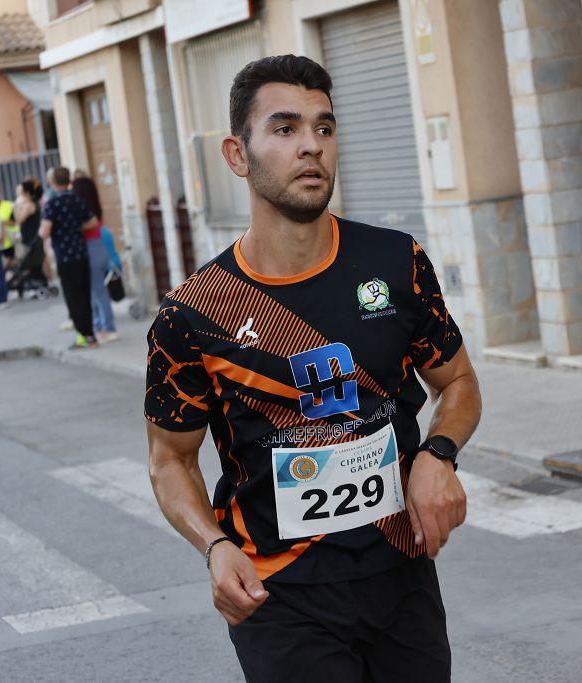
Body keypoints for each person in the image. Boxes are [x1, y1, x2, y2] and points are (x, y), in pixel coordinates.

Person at [145, 55, 482, 682]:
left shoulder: (395, 261)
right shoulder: (192, 314)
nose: (311, 147)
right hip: (280, 594)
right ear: (236, 155)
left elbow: (458, 382)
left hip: (401, 573)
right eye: (284, 128)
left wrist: (438, 453)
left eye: (324, 129)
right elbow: (172, 461)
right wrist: (214, 547)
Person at [40, 166, 98, 349]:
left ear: (52, 182)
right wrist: (75, 228)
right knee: (85, 294)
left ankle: (84, 336)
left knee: (73, 297)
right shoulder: (76, 198)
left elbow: (45, 231)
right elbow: (93, 221)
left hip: (65, 256)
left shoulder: (52, 203)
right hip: (81, 253)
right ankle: (91, 334)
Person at [71, 173, 117, 343]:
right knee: (94, 291)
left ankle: (108, 327)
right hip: (97, 248)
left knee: (98, 291)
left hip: (92, 248)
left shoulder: (85, 210)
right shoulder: (93, 206)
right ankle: (99, 324)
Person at [14, 177, 47, 286]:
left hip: (31, 237)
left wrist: (16, 206)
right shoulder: (31, 203)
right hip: (31, 236)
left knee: (34, 263)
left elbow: (19, 219)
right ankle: (38, 284)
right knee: (34, 263)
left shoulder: (29, 205)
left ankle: (41, 285)